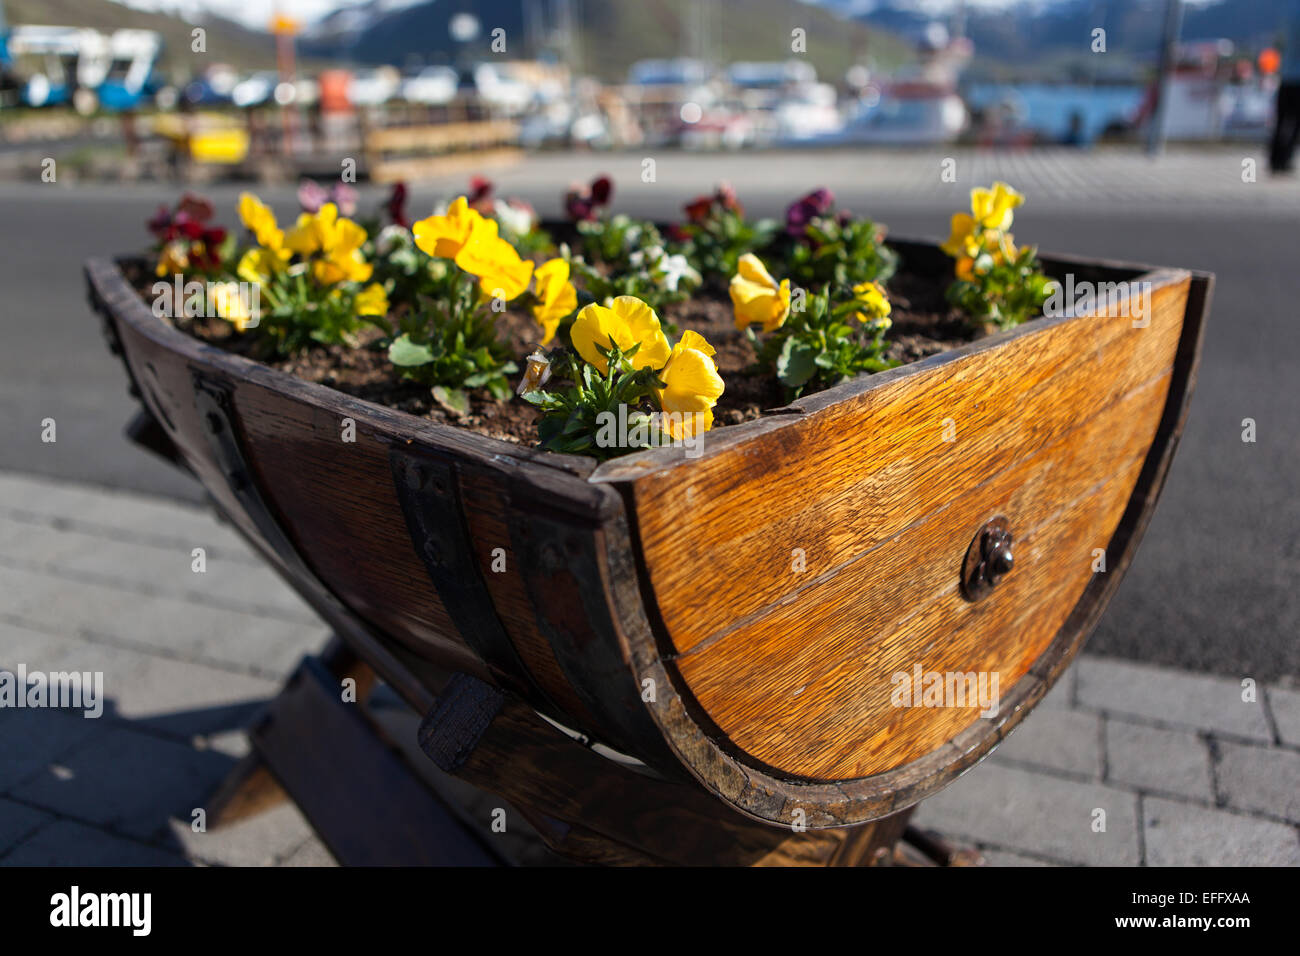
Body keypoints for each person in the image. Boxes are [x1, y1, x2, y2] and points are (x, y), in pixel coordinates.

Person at [1269, 14, 1300, 174]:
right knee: (1295, 124)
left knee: (1281, 121)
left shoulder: (1289, 11)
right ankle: (1284, 159)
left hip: (1286, 76)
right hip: (1297, 79)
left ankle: (1274, 159)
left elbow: (1279, 45)